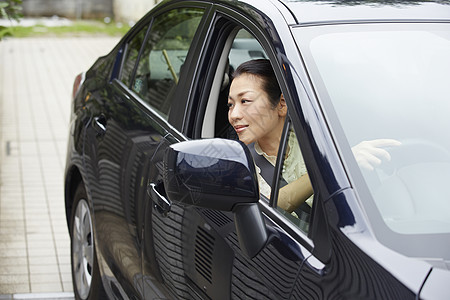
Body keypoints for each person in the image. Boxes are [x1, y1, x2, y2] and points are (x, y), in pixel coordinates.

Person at [227, 59, 400, 213]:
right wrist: (335, 166)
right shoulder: (240, 163)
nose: (234, 115)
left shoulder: (322, 137)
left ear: (282, 104)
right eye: (230, 105)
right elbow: (272, 204)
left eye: (245, 101)